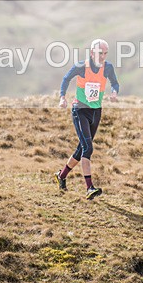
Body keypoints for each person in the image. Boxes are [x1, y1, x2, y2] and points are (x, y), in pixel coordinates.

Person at [55, 38, 119, 200]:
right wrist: (62, 98)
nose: (102, 56)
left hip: (96, 111)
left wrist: (114, 93)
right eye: (99, 53)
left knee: (81, 149)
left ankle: (61, 176)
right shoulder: (81, 66)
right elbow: (65, 79)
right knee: (88, 149)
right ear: (92, 52)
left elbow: (115, 83)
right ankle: (89, 187)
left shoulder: (108, 67)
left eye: (105, 53)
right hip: (80, 110)